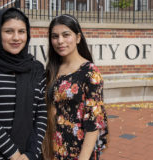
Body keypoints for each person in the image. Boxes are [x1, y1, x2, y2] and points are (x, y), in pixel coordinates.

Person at [0, 7, 47, 160]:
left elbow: (41, 114)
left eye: (21, 31)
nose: (16, 37)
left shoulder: (36, 68)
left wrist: (30, 154)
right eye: (8, 31)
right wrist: (15, 155)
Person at [42, 14, 108, 160]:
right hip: (53, 148)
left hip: (78, 151)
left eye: (66, 35)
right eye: (55, 36)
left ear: (78, 38)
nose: (60, 41)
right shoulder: (52, 69)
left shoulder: (89, 71)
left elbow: (94, 122)